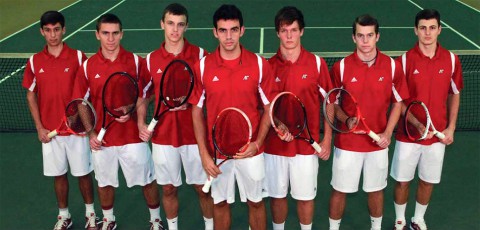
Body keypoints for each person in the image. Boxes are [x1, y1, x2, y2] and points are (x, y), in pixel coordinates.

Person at [72, 13, 164, 230]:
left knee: (147, 180)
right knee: (104, 183)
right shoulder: (88, 66)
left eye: (115, 33)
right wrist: (91, 134)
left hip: (133, 135)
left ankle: (155, 220)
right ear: (97, 35)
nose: (110, 39)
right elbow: (81, 102)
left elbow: (147, 92)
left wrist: (136, 113)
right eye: (105, 33)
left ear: (121, 34)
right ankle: (109, 219)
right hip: (103, 140)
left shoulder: (135, 62)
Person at [189, 4, 277, 230]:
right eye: (223, 30)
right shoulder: (202, 67)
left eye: (234, 30)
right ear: (215, 32)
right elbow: (196, 110)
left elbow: (269, 108)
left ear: (242, 30)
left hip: (251, 151)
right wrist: (204, 154)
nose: (229, 36)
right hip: (217, 151)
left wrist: (257, 143)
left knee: (256, 203)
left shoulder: (258, 64)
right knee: (220, 205)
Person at [328, 14, 409, 230]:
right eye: (360, 36)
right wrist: (347, 119)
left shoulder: (392, 67)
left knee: (376, 189)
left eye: (370, 35)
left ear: (377, 36)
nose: (365, 41)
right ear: (353, 38)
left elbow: (398, 103)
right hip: (348, 144)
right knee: (339, 189)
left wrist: (388, 133)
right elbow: (332, 103)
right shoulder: (341, 67)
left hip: (377, 143)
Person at [137, 3, 213, 230]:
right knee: (169, 188)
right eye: (170, 24)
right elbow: (144, 96)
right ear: (162, 24)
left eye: (180, 25)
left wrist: (192, 103)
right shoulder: (150, 60)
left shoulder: (200, 55)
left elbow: (212, 92)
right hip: (163, 137)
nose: (175, 30)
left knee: (202, 188)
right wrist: (141, 123)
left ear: (186, 27)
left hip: (194, 137)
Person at [22, 10, 97, 230]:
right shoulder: (35, 62)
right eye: (48, 30)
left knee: (83, 174)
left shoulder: (78, 57)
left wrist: (85, 125)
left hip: (76, 131)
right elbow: (30, 94)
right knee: (59, 175)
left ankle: (91, 214)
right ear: (41, 32)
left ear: (64, 30)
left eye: (56, 29)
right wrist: (39, 127)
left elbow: (87, 93)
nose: (53, 34)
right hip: (51, 133)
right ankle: (64, 216)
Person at [390, 9, 463, 230]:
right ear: (416, 30)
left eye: (432, 28)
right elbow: (399, 101)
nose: (427, 33)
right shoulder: (403, 61)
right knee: (402, 181)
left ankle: (418, 219)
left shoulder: (451, 60)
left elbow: (455, 94)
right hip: (408, 135)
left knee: (427, 180)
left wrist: (450, 127)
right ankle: (400, 219)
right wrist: (416, 124)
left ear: (440, 30)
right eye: (423, 28)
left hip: (437, 136)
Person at [263, 6, 332, 230]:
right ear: (278, 33)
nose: (289, 36)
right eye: (284, 31)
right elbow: (265, 107)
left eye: (293, 30)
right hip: (274, 147)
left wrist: (327, 139)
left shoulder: (317, 63)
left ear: (301, 31)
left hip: (306, 147)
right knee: (277, 196)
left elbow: (329, 102)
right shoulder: (267, 67)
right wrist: (278, 125)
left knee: (305, 197)